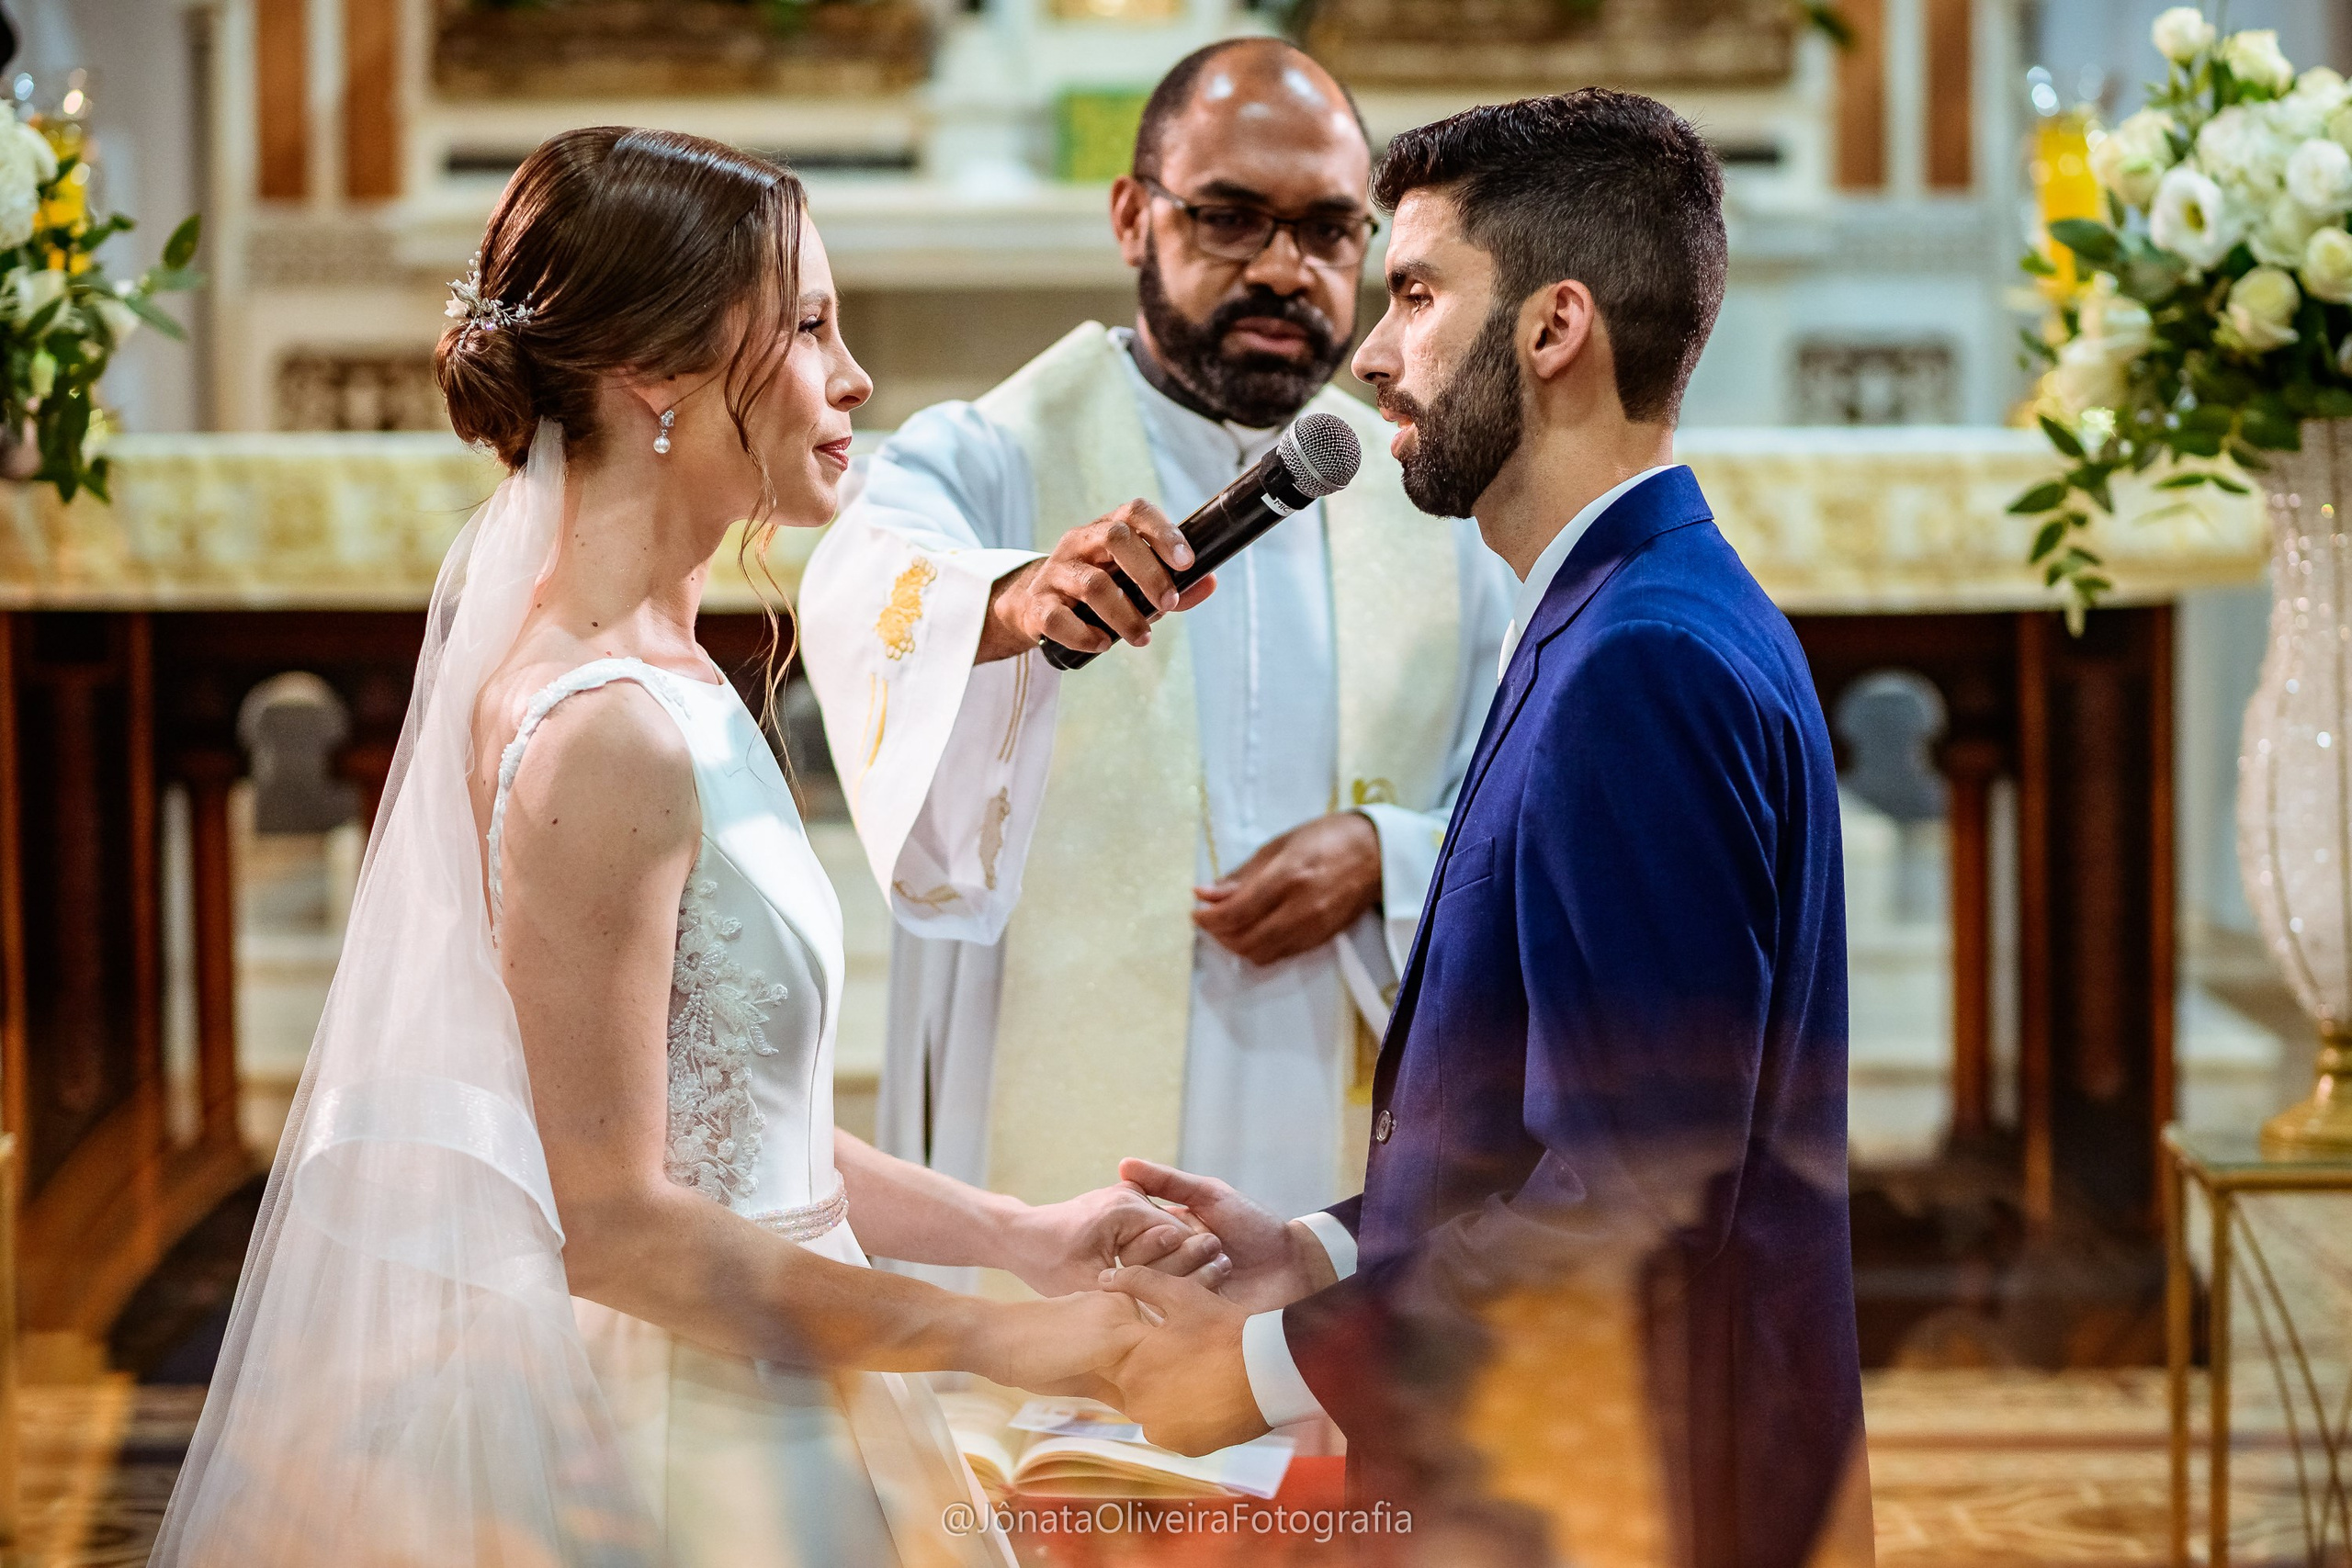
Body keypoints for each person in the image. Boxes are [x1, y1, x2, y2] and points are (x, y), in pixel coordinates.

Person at [151, 128, 1227, 1568]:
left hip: (772, 1355)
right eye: (809, 327)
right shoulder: (607, 734)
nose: (852, 378)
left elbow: (725, 1120)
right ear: (654, 375)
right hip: (679, 1438)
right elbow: (620, 1225)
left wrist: (1018, 1230)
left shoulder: (673, 670)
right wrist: (1017, 1345)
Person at [1098, 91, 1871, 1567]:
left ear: (1553, 326)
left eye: (1413, 292)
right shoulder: (1627, 609)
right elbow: (1569, 1120)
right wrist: (1318, 1248)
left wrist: (1266, 1367)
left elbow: (1632, 1199)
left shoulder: (1643, 661)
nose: (1373, 352)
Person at [797, 38, 1513, 1245]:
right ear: (1134, 217)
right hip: (1050, 1119)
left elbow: (1527, 787)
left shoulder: (1429, 505)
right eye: (1233, 219)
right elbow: (862, 581)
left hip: (1322, 1091)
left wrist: (1389, 858)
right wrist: (1018, 594)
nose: (1288, 271)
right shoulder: (993, 455)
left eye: (1333, 231)